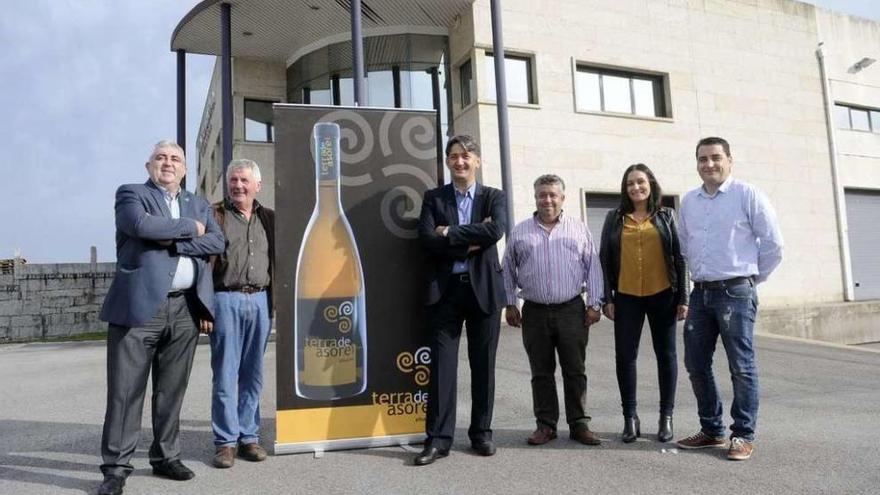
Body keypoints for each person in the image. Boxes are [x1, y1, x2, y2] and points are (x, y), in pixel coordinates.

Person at [97, 141, 224, 495]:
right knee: (125, 392)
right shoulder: (131, 194)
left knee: (171, 390)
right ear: (148, 164)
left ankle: (165, 456)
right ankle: (116, 468)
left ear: (185, 169)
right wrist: (191, 229)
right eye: (161, 157)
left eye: (176, 159)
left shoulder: (198, 202)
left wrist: (176, 240)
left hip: (185, 308)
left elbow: (216, 242)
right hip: (139, 309)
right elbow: (141, 226)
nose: (168, 163)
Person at [676, 137, 783, 461]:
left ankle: (743, 435)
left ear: (729, 160)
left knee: (741, 366)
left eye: (715, 157)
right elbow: (684, 247)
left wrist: (750, 280)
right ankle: (711, 430)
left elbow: (773, 245)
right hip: (701, 293)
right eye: (702, 159)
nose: (708, 164)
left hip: (736, 292)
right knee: (696, 363)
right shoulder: (689, 202)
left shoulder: (747, 195)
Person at [413, 135, 507, 466]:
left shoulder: (494, 197)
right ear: (447, 162)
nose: (460, 162)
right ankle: (438, 439)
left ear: (477, 161)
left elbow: (496, 230)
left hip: (484, 291)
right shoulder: (433, 198)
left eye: (466, 156)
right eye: (453, 156)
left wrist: (448, 233)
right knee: (442, 368)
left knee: (484, 366)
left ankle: (481, 432)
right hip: (446, 291)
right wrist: (468, 238)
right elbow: (426, 239)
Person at [503, 174, 604, 447]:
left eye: (552, 195)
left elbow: (593, 267)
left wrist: (595, 304)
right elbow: (508, 269)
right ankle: (545, 425)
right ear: (535, 197)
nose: (547, 199)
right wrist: (510, 303)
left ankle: (579, 424)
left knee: (575, 369)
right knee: (541, 372)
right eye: (542, 195)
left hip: (571, 309)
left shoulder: (578, 229)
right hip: (534, 312)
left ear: (562, 198)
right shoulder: (520, 231)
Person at [599, 164, 688, 444]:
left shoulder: (666, 216)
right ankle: (630, 417)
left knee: (666, 356)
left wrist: (684, 297)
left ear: (650, 183)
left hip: (663, 294)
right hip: (626, 296)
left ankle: (666, 417)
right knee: (625, 357)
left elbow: (680, 257)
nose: (635, 187)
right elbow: (604, 260)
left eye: (640, 182)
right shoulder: (614, 218)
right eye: (629, 184)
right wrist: (607, 297)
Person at [202, 159, 275, 468]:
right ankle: (225, 443)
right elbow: (202, 264)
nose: (238, 186)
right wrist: (204, 306)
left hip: (260, 301)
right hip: (225, 300)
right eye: (234, 180)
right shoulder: (215, 214)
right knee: (225, 374)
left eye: (244, 180)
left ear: (257, 185)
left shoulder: (269, 218)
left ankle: (249, 438)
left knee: (253, 375)